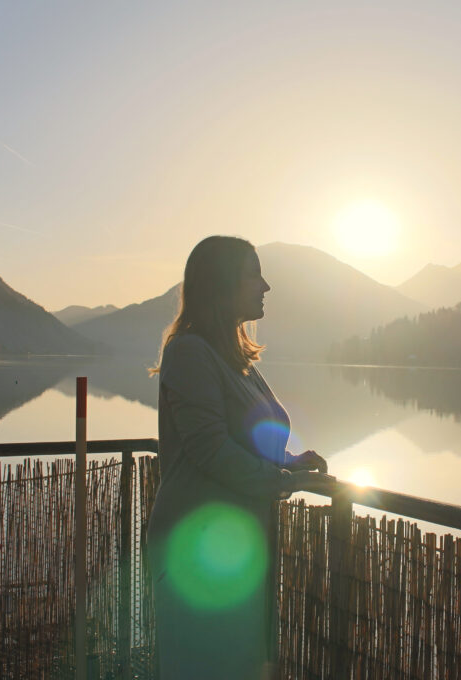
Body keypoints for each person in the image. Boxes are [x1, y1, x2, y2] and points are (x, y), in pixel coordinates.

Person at [146, 235, 331, 679]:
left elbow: (247, 439)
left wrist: (289, 459)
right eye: (254, 274)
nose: (265, 286)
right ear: (223, 284)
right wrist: (284, 480)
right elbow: (211, 449)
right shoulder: (189, 352)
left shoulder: (235, 357)